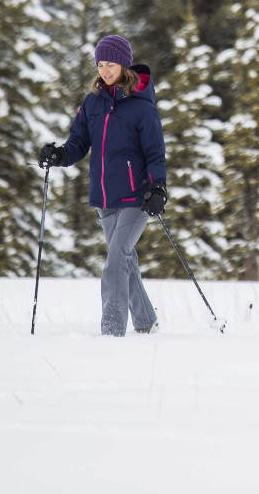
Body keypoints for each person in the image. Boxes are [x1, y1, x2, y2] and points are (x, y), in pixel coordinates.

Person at [39, 34, 168, 336]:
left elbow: (155, 152)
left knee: (115, 260)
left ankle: (111, 332)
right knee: (124, 259)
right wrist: (58, 155)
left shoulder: (142, 109)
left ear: (124, 64)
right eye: (100, 64)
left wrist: (158, 186)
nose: (105, 70)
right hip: (104, 198)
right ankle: (147, 324)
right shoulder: (93, 102)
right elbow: (78, 143)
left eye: (110, 63)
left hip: (136, 196)